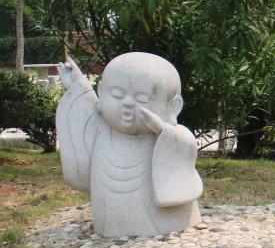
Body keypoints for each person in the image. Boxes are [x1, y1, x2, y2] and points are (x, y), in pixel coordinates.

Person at [56, 53, 203, 237]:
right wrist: (77, 87)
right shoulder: (102, 129)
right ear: (101, 92)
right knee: (111, 218)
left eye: (142, 99)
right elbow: (85, 116)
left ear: (174, 106)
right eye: (117, 94)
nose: (127, 103)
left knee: (156, 222)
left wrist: (163, 131)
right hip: (109, 216)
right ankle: (113, 229)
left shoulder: (167, 138)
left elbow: (185, 149)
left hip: (162, 223)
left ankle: (163, 227)